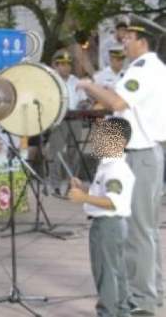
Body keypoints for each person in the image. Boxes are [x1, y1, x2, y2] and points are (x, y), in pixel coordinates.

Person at [78, 17, 166, 316]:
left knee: (139, 231)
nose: (123, 42)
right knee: (137, 229)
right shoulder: (140, 69)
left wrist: (88, 85)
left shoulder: (144, 70)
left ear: (143, 41)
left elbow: (116, 103)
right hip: (131, 149)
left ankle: (143, 301)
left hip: (138, 154)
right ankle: (141, 293)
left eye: (128, 38)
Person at [67, 117, 134, 317]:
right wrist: (84, 188)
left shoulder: (115, 169)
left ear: (119, 142)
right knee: (116, 271)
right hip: (112, 225)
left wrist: (83, 197)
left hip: (107, 226)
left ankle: (108, 312)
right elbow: (104, 194)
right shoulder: (108, 165)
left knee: (105, 273)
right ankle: (121, 310)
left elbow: (113, 201)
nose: (98, 140)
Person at [46, 49, 89, 195]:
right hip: (59, 120)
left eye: (68, 64)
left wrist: (84, 104)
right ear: (56, 66)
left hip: (75, 119)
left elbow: (83, 99)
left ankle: (73, 186)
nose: (66, 67)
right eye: (62, 64)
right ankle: (55, 186)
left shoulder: (75, 80)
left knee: (75, 154)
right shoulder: (51, 81)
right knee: (56, 154)